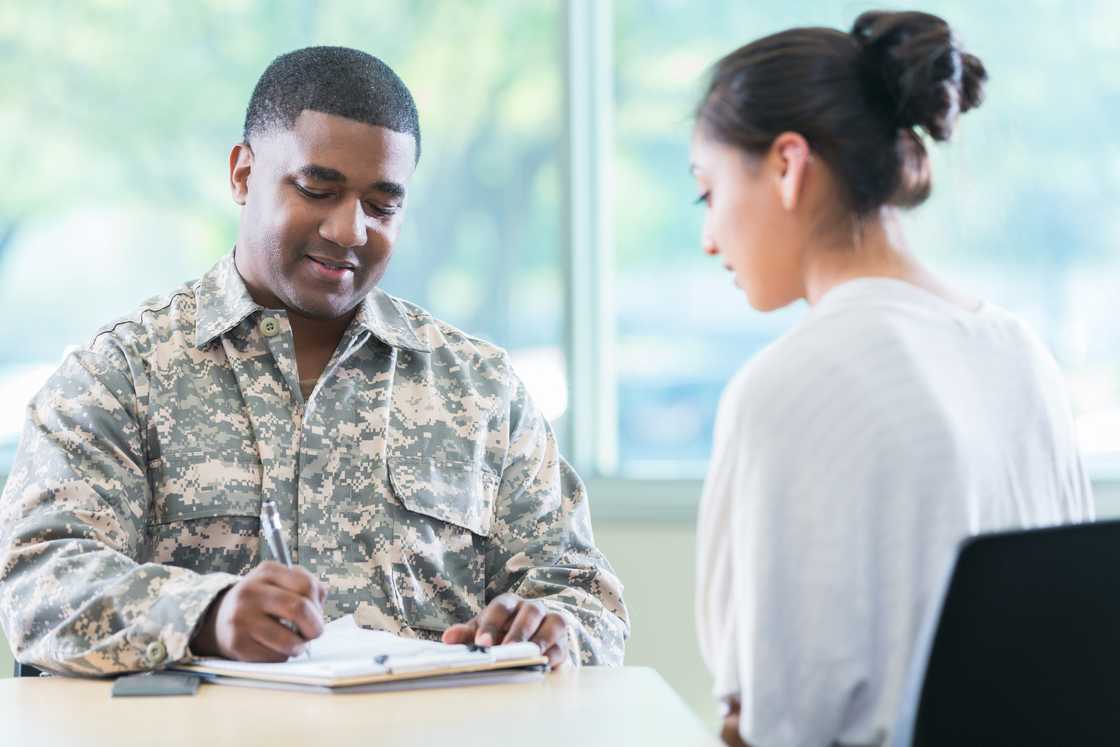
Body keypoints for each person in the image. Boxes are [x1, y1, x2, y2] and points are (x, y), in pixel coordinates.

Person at [0, 46, 627, 675]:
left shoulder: (481, 390)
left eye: (382, 207)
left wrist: (554, 630)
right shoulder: (120, 377)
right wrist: (204, 616)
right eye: (318, 189)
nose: (351, 230)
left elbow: (586, 601)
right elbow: (37, 584)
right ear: (243, 175)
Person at [690, 11, 1092, 747]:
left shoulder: (786, 385)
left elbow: (772, 716)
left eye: (707, 191)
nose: (709, 235)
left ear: (787, 165)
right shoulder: (1021, 353)